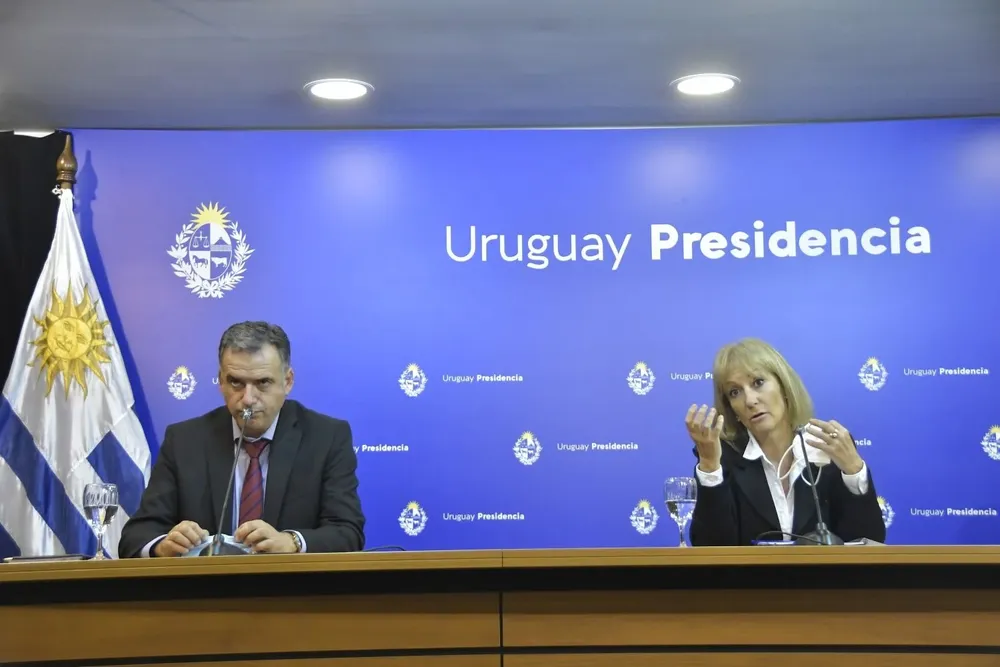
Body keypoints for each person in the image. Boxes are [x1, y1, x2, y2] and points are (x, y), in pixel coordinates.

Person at [119, 321, 365, 557]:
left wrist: (290, 542)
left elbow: (348, 532)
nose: (248, 398)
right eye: (235, 382)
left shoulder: (327, 437)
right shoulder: (184, 441)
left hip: (293, 593)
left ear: (287, 381)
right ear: (221, 381)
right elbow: (137, 535)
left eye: (263, 383)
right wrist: (163, 545)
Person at [685, 338, 885, 546]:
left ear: (784, 386)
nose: (750, 401)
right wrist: (709, 467)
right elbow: (710, 548)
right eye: (735, 392)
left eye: (758, 383)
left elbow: (868, 542)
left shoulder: (827, 447)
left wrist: (853, 470)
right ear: (731, 408)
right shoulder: (724, 457)